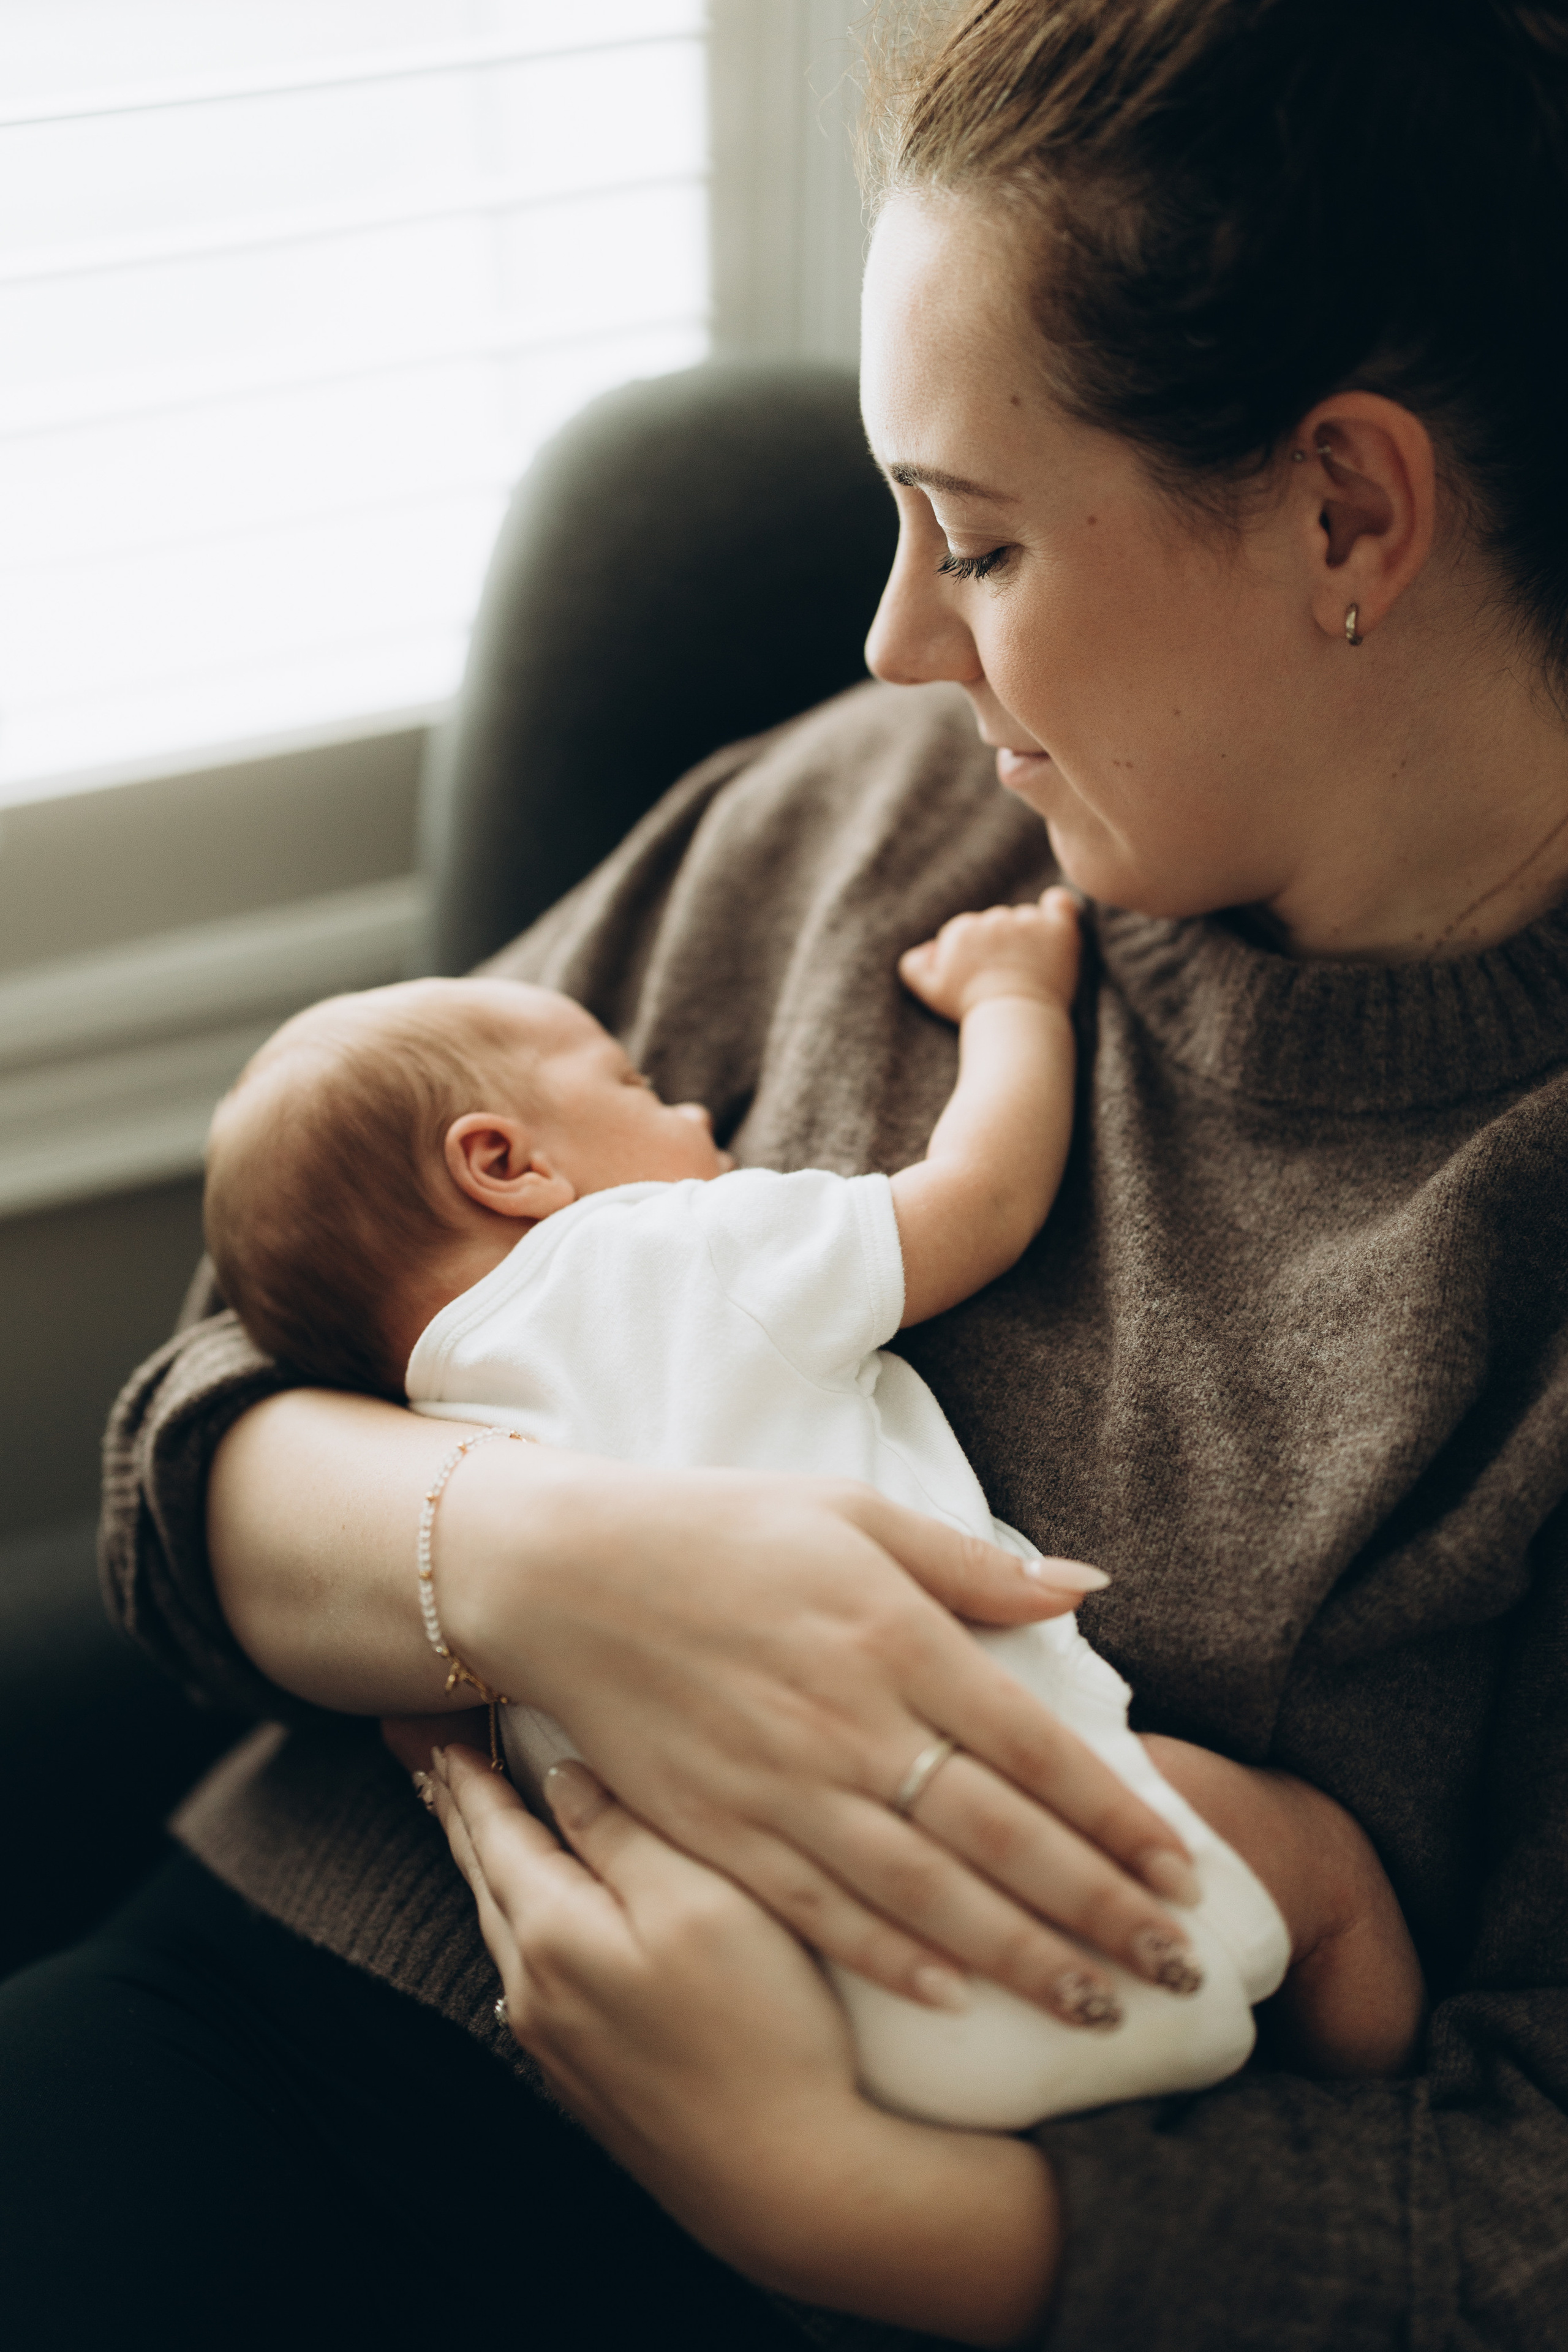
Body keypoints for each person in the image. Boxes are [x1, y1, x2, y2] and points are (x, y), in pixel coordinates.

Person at [4, 0, 1567, 2345]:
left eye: (982, 538)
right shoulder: (877, 805)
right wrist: (541, 1562)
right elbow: (191, 1438)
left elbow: (1527, 2195)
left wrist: (856, 2208)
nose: (894, 634)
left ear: (1349, 509)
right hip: (262, 2018)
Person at [203, 916, 1417, 2126]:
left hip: (772, 2020)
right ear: (504, 1164)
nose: (695, 1118)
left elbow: (431, 1742)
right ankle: (1375, 2107)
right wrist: (1010, 1002)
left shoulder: (424, 1428)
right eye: (637, 1085)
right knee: (1328, 1871)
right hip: (1073, 1846)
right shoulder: (668, 1251)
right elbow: (980, 1195)